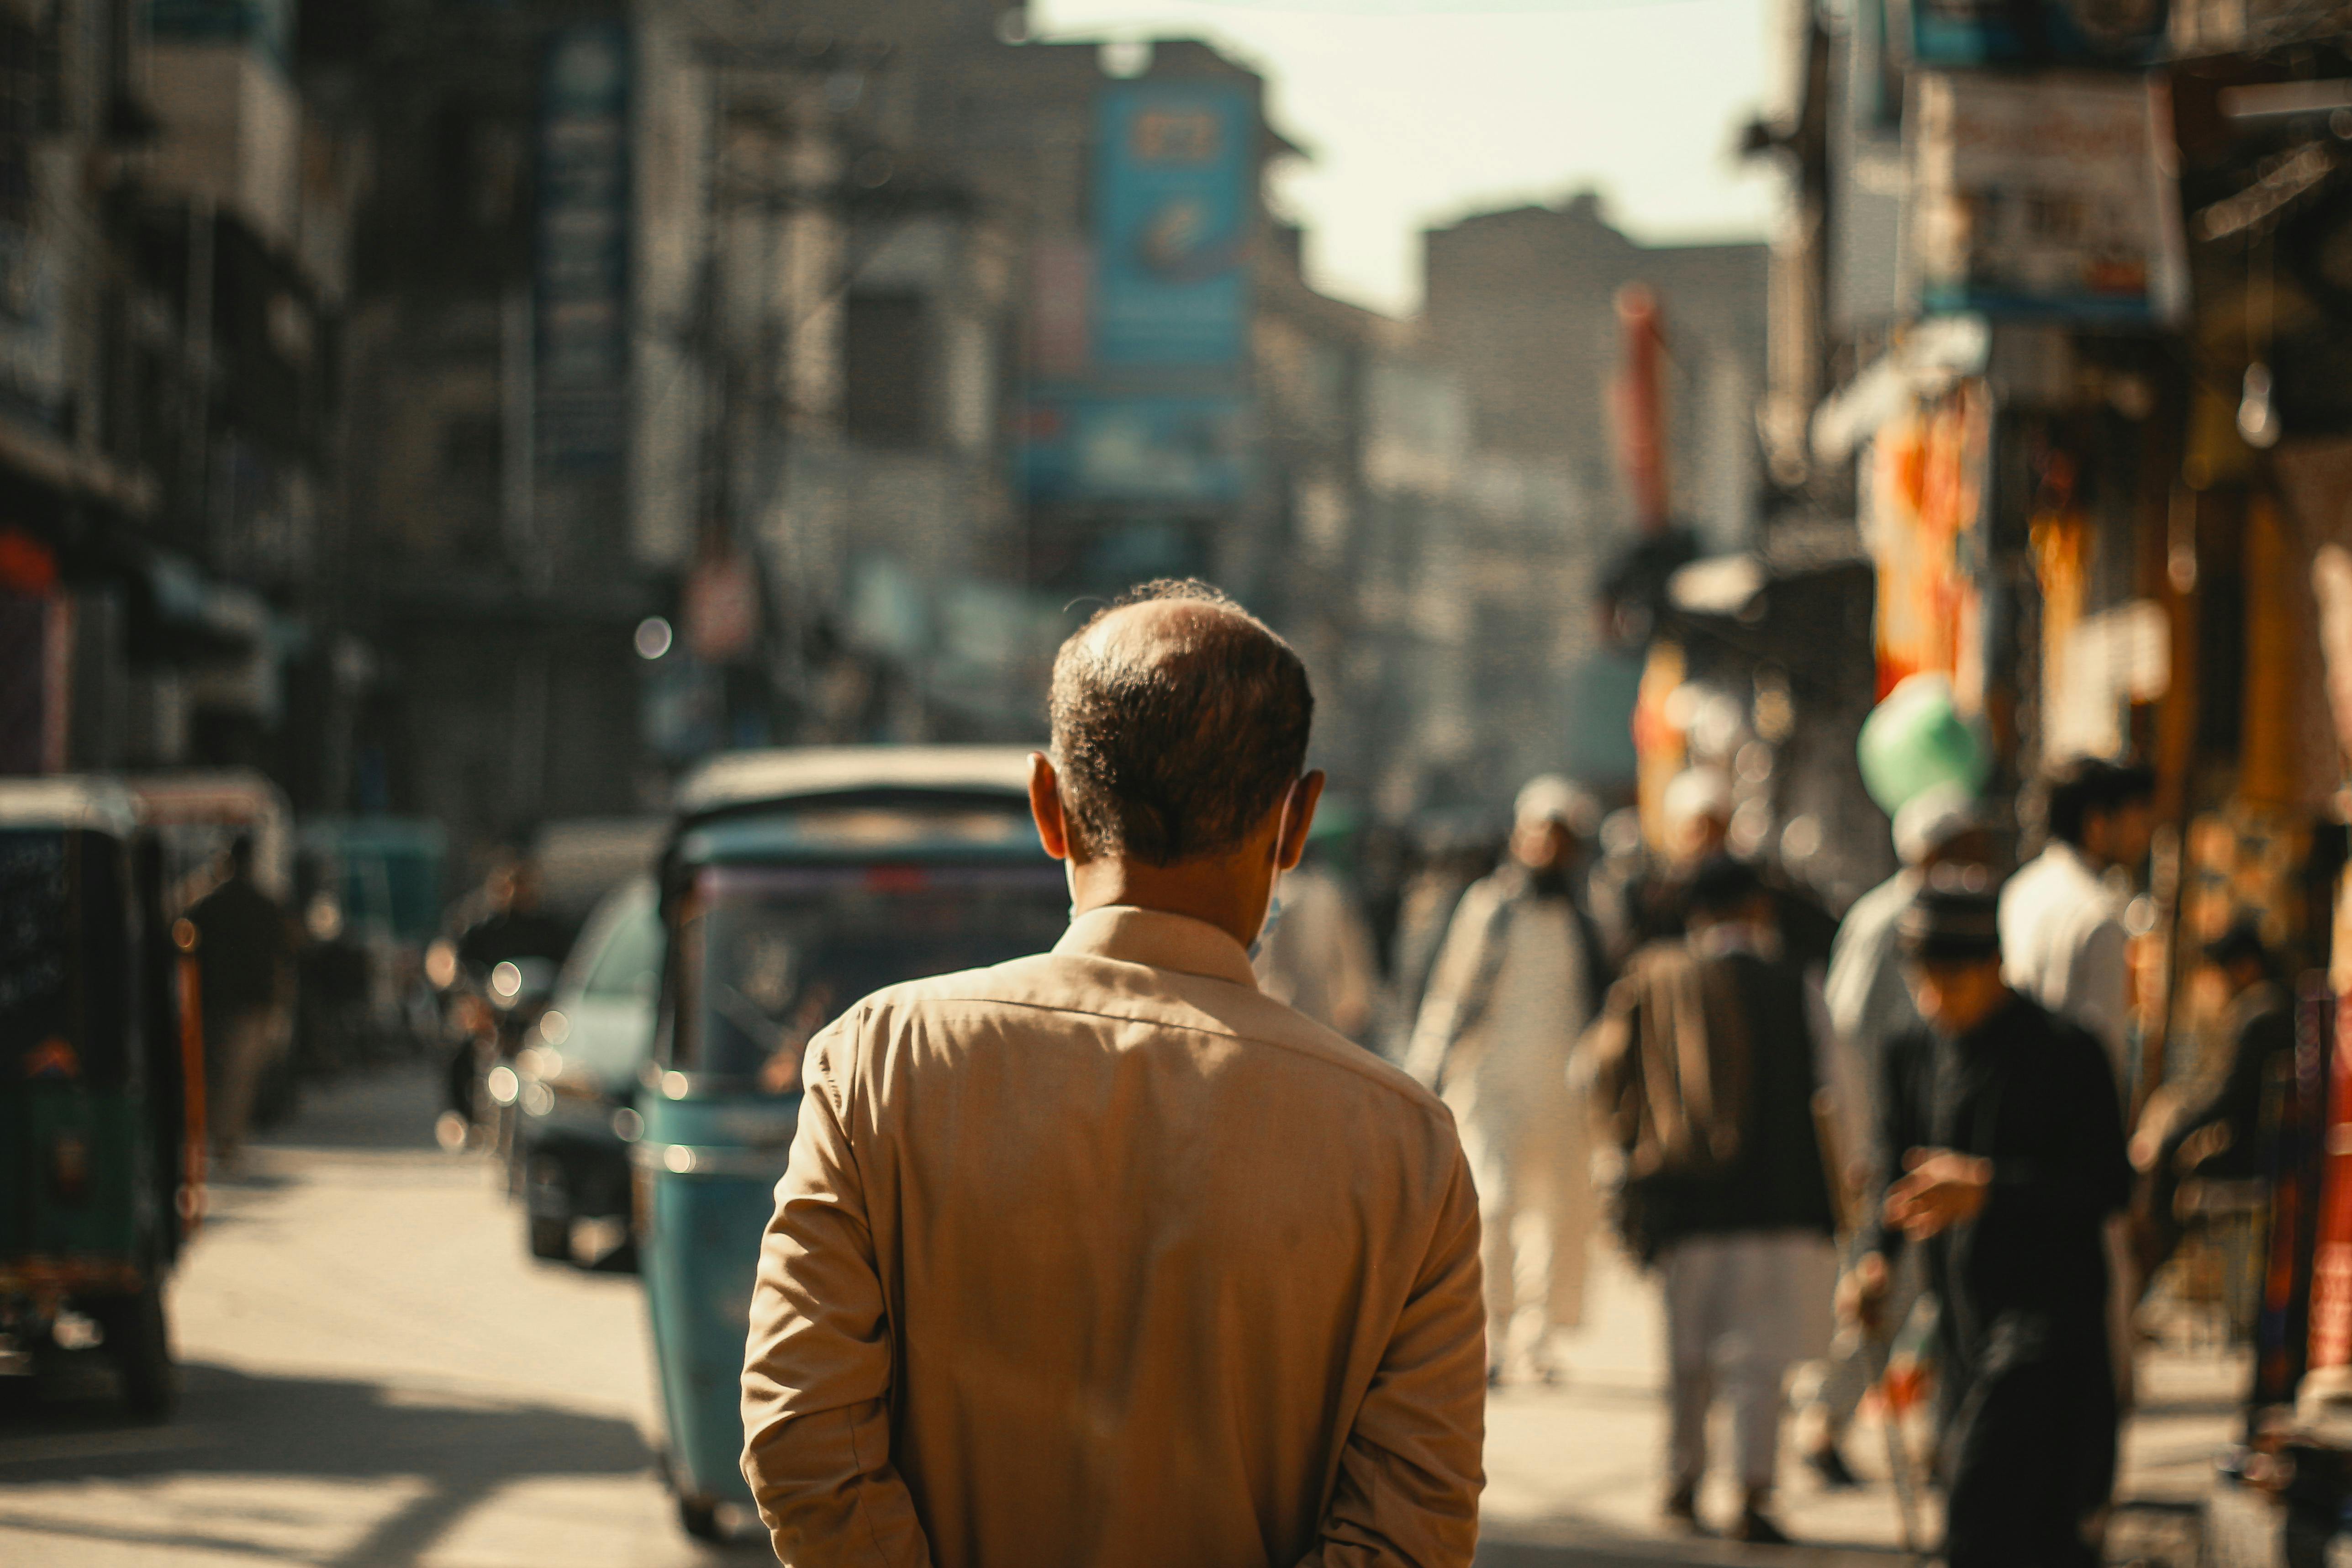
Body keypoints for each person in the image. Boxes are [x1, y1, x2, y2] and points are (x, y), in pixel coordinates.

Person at [739, 580, 1486, 1568]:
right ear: (1296, 824)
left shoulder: (877, 1063)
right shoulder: (1406, 1147)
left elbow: (800, 1434)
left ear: (1049, 805)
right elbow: (1410, 1534)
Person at [1844, 875, 2132, 1568]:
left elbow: (2108, 1187)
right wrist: (1871, 1257)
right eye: (1923, 979)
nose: (1935, 998)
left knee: (1984, 1510)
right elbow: (1892, 1167)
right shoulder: (1909, 1051)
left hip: (2049, 1324)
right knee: (2020, 1532)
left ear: (1995, 967)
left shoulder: (2064, 1052)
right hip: (1962, 1320)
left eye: (1953, 979)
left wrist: (1987, 1188)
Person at [1585, 855, 1847, 1545]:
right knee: (1761, 1358)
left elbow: (1592, 1072)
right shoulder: (1799, 983)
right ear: (1757, 909)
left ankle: (1680, 1480)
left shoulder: (1654, 977)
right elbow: (1837, 1091)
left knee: (1686, 1353)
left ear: (1695, 913)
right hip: (1782, 1197)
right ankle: (1753, 1491)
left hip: (1683, 1199)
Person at [1803, 783, 1991, 1486]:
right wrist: (1862, 1145)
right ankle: (1823, 1418)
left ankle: (1940, 1434)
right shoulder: (1884, 921)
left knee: (1940, 1292)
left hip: (1939, 1133)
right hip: (1890, 1137)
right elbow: (1847, 1035)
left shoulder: (1955, 914)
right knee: (1888, 1285)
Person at [1405, 775, 1609, 1385]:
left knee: (1555, 1214)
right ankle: (1490, 1333)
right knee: (1491, 1206)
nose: (1546, 849)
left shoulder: (1588, 916)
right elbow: (1450, 992)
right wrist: (1423, 1074)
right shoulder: (1488, 908)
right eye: (1537, 835)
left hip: (1563, 1085)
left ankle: (1535, 1339)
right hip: (1489, 1078)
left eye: (1558, 838)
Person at [2135, 917, 2298, 1277]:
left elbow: (2227, 1096)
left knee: (2173, 1171)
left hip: (2260, 1152)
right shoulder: (2274, 1004)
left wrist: (2172, 1139)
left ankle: (2152, 1268)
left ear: (2245, 967)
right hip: (2263, 1143)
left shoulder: (2262, 1011)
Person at [2000, 756, 2157, 1089]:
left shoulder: (2020, 890)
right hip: (2069, 1106)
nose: (2145, 834)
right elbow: (2104, 1048)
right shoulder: (2098, 916)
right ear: (2097, 824)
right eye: (2136, 819)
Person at [185, 835, 294, 1169]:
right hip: (251, 1003)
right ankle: (227, 1141)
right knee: (239, 1077)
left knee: (211, 1073)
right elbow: (283, 959)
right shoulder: (266, 905)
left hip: (209, 1001)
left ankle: (209, 1137)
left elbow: (180, 936)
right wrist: (280, 1005)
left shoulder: (207, 903)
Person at [1254, 837, 1383, 1043]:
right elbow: (1267, 955)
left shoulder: (1329, 892)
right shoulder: (1272, 893)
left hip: (1322, 997)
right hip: (1287, 1000)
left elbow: (1351, 948)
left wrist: (1355, 993)